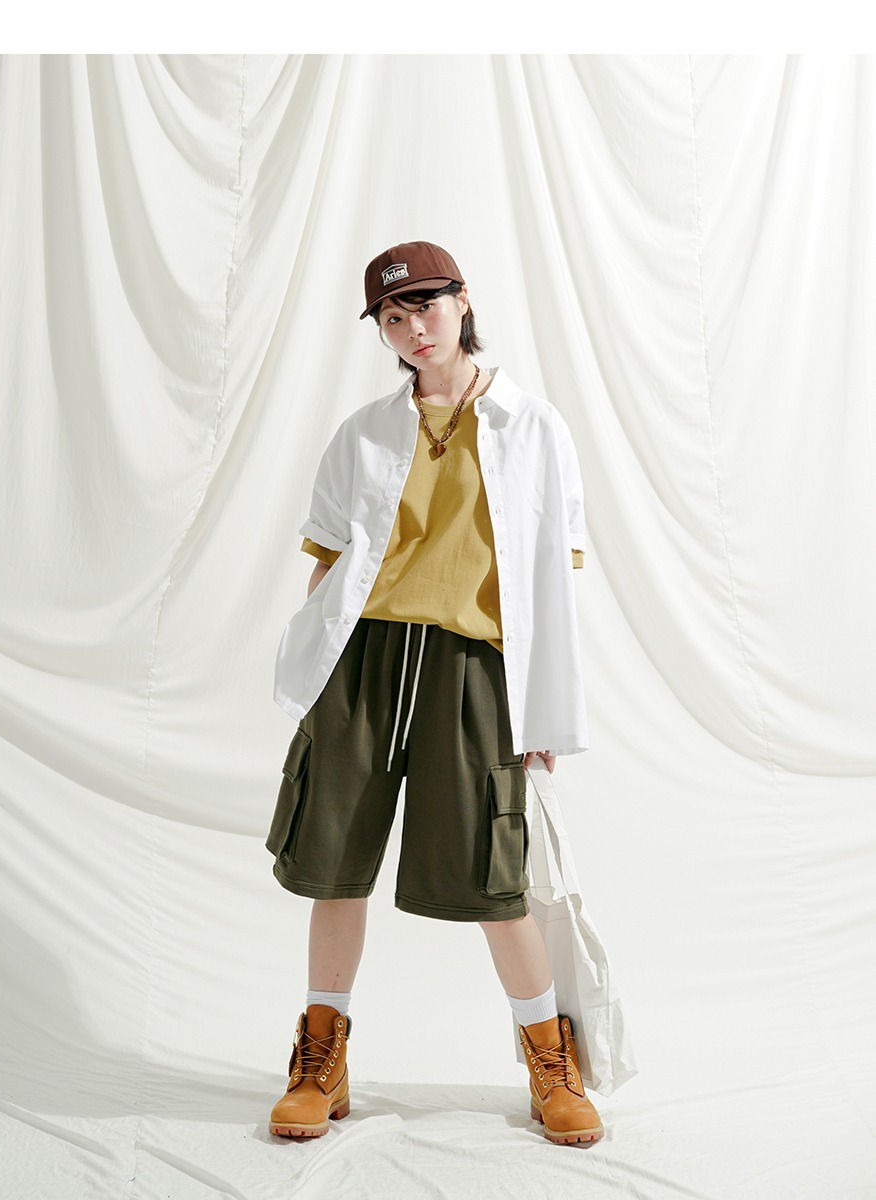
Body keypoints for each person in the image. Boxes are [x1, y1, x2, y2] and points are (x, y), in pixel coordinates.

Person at [265, 240, 602, 1145]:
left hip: (474, 670)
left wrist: (544, 706)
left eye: (426, 306)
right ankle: (320, 1059)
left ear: (463, 301)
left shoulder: (535, 428)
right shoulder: (363, 433)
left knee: (496, 881)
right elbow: (328, 564)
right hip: (364, 664)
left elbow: (552, 584)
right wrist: (317, 674)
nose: (413, 328)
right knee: (334, 866)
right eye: (393, 317)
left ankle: (550, 1062)